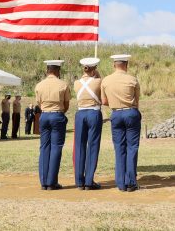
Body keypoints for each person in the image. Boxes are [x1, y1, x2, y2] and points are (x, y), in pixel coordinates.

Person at [101, 54, 142, 192]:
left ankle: (120, 183)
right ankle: (131, 182)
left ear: (114, 65)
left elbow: (104, 101)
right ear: (126, 64)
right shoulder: (132, 79)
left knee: (119, 148)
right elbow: (137, 100)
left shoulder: (106, 81)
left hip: (116, 114)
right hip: (131, 112)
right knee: (132, 147)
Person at [35, 60, 71, 190]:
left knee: (44, 147)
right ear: (57, 71)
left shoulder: (39, 85)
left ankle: (44, 181)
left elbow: (39, 103)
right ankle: (52, 181)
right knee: (56, 147)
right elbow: (66, 104)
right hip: (57, 115)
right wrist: (59, 112)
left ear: (47, 70)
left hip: (44, 116)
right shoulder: (63, 84)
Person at [74, 57, 104, 190]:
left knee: (79, 146)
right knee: (93, 146)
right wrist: (97, 75)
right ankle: (89, 181)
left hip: (80, 114)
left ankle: (79, 181)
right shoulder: (99, 81)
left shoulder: (76, 83)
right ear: (94, 69)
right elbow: (102, 93)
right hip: (93, 113)